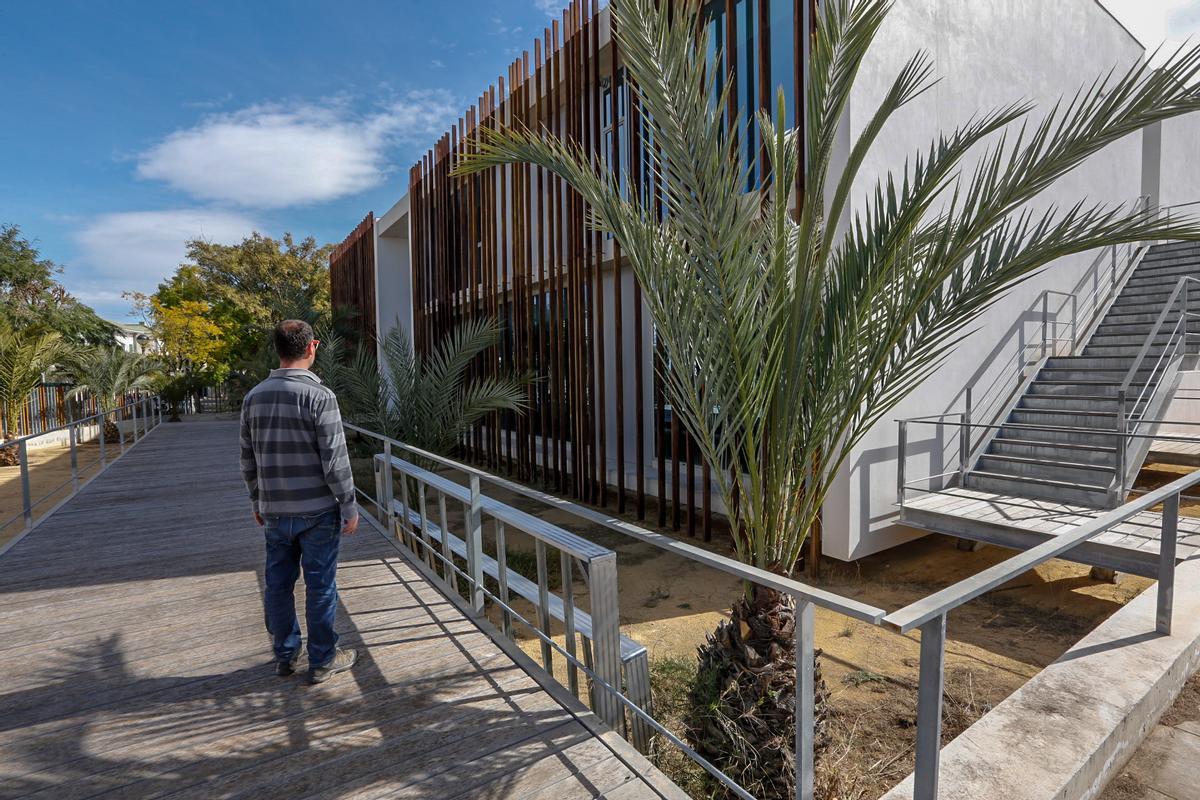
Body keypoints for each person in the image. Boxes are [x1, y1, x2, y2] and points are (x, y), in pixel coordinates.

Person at [239, 319, 360, 684]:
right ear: (312, 347)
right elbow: (335, 460)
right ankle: (323, 659)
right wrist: (350, 505)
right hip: (318, 512)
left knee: (278, 583)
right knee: (321, 586)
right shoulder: (319, 396)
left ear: (277, 349)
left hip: (275, 511)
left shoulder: (254, 397)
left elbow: (247, 458)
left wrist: (257, 499)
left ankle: (286, 655)